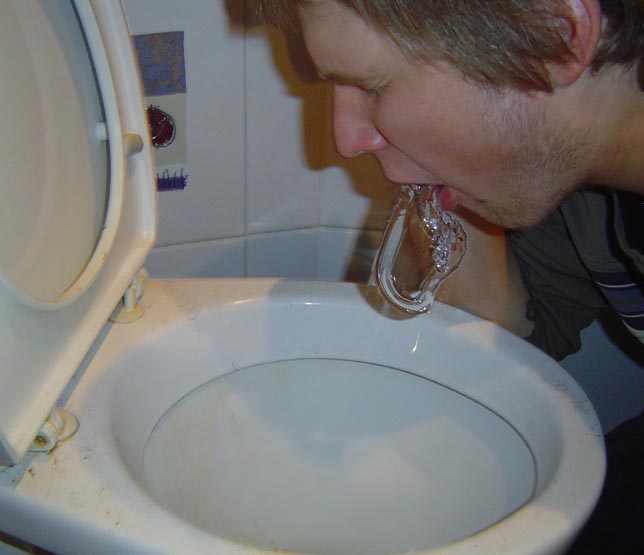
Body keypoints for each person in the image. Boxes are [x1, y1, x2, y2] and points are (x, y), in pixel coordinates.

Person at [255, 0, 643, 551]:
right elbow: (503, 345)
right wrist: (448, 183)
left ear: (557, 35)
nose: (347, 139)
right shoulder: (581, 193)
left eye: (372, 87)